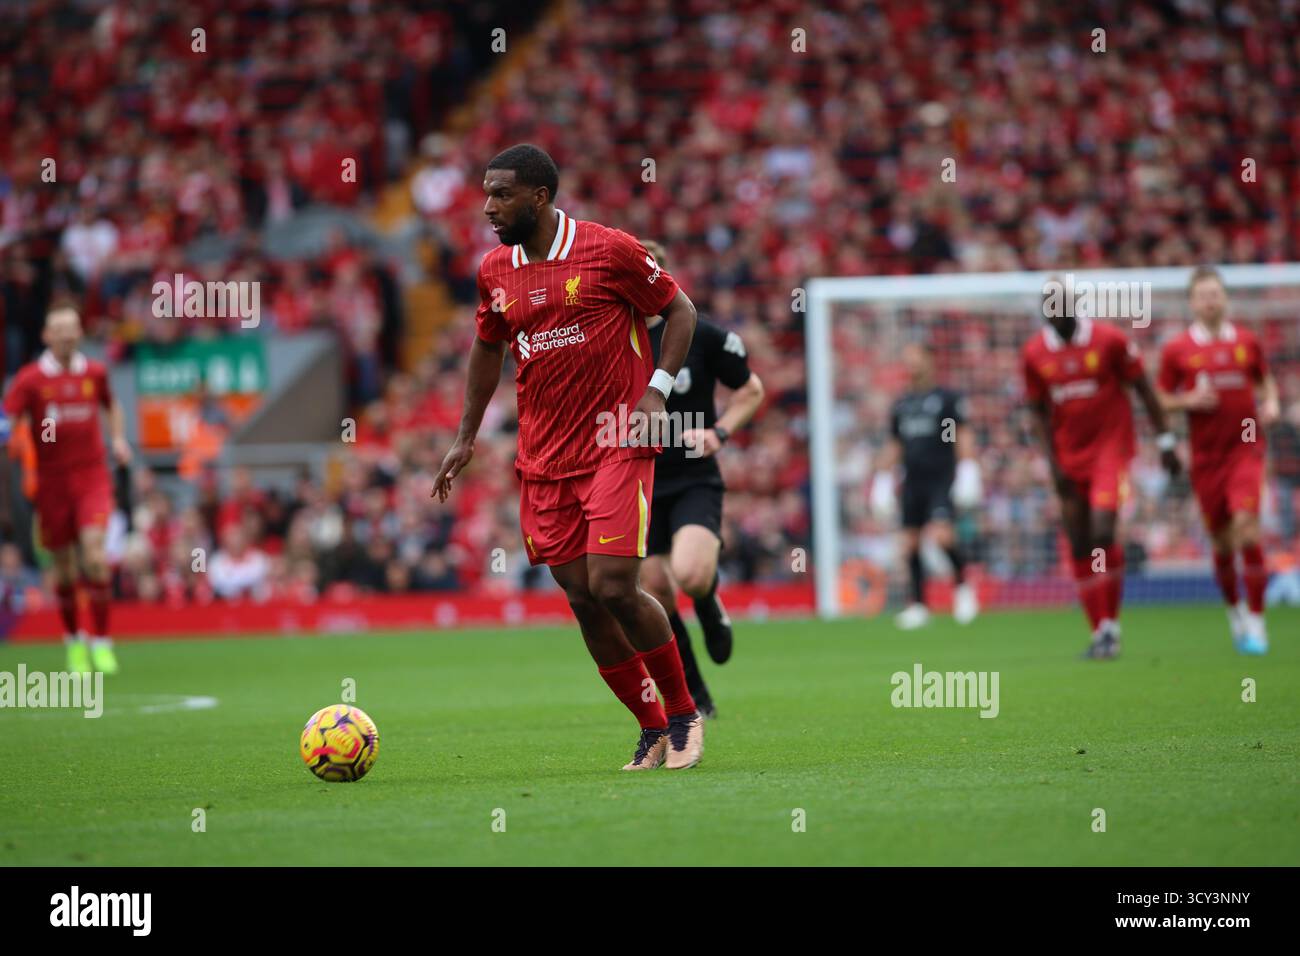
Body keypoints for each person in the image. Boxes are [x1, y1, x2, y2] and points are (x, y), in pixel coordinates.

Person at [433, 144, 705, 770]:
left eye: (501, 194)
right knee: (582, 596)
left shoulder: (609, 250)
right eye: (486, 193)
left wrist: (656, 393)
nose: (488, 206)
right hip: (544, 455)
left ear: (540, 197)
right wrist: (466, 436)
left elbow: (680, 310)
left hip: (617, 437)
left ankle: (685, 713)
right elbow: (485, 348)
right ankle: (651, 726)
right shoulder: (495, 271)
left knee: (614, 583)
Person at [636, 239, 765, 719]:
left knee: (689, 575)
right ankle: (695, 696)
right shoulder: (614, 341)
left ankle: (709, 603)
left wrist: (720, 432)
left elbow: (751, 390)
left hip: (693, 478)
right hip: (639, 481)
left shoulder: (702, 335)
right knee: (654, 593)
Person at [1022, 287, 1182, 659]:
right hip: (1067, 458)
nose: (1055, 313)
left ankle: (1111, 624)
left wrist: (1167, 442)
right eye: (1048, 308)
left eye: (1061, 305)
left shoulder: (1109, 341)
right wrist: (1052, 463)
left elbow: (1144, 390)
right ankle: (1099, 632)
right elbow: (1035, 411)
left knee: (1102, 530)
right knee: (1079, 542)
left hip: (1111, 450)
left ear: (1075, 306)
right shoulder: (1034, 353)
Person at [0, 305, 131, 673]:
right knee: (66, 570)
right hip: (52, 483)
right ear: (46, 336)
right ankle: (75, 641)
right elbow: (7, 416)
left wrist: (119, 439)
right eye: (59, 329)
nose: (67, 335)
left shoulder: (95, 372)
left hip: (92, 477)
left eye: (72, 328)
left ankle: (102, 642)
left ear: (79, 333)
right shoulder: (30, 380)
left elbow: (112, 404)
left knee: (94, 556)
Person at [1157, 266, 1280, 654]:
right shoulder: (1177, 350)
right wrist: (1187, 400)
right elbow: (1160, 396)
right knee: (1223, 543)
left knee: (1247, 527)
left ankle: (1258, 623)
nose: (1210, 301)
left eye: (1215, 294)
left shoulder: (1246, 341)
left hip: (1245, 449)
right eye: (1203, 295)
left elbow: (1263, 379)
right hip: (1206, 458)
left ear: (1224, 298)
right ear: (1192, 303)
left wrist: (1272, 401)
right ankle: (1235, 611)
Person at [870, 342, 982, 629]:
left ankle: (962, 587)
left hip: (941, 477)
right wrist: (882, 479)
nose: (912, 365)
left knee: (943, 536)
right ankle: (919, 605)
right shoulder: (902, 404)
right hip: (912, 479)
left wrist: (968, 468)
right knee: (909, 542)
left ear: (931, 360)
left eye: (917, 358)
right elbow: (895, 444)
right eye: (908, 360)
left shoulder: (947, 399)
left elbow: (961, 434)